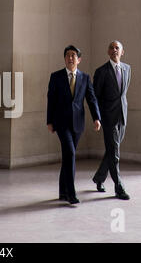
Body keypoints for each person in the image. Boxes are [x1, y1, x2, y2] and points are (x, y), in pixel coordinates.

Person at [47, 45, 101, 204]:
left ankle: (62, 192)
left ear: (79, 59)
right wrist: (49, 120)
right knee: (70, 154)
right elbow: (51, 100)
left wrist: (96, 118)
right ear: (64, 59)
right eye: (68, 55)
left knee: (67, 157)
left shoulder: (85, 78)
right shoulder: (56, 77)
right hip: (61, 123)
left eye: (73, 55)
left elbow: (91, 99)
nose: (70, 58)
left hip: (78, 124)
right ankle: (71, 193)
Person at [92, 41, 131, 200]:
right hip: (108, 118)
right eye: (111, 47)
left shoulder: (127, 68)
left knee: (111, 150)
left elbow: (123, 94)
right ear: (108, 51)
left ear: (122, 52)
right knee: (114, 153)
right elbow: (95, 97)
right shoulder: (101, 71)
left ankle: (99, 178)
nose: (114, 50)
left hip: (122, 114)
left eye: (117, 48)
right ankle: (118, 187)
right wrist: (98, 117)